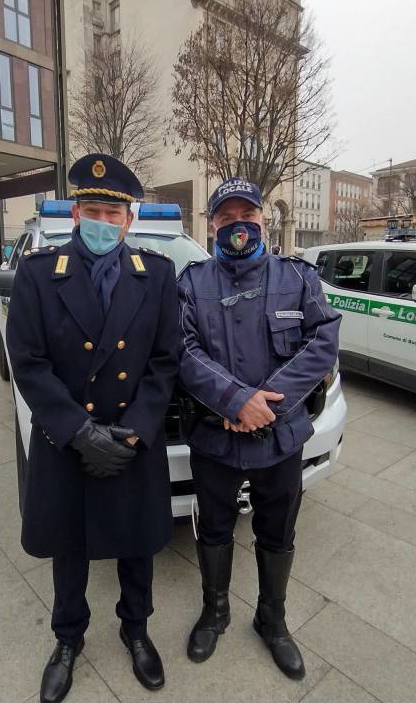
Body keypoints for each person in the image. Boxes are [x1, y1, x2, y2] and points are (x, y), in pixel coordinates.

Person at [6, 153, 179, 703]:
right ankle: (67, 639)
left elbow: (165, 361)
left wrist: (133, 432)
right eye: (92, 209)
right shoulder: (38, 274)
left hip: (131, 436)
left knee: (136, 544)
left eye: (112, 212)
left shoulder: (157, 274)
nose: (102, 221)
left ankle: (136, 629)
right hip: (67, 439)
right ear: (75, 214)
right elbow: (28, 360)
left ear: (129, 221)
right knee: (69, 544)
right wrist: (79, 432)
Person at [177, 177, 340, 680]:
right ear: (212, 226)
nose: (238, 227)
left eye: (247, 217)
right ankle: (215, 611)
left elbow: (324, 340)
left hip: (280, 435)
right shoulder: (191, 283)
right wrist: (234, 399)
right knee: (216, 528)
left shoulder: (298, 279)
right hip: (214, 436)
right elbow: (181, 349)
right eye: (226, 219)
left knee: (278, 531)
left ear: (263, 222)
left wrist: (266, 404)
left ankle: (272, 619)